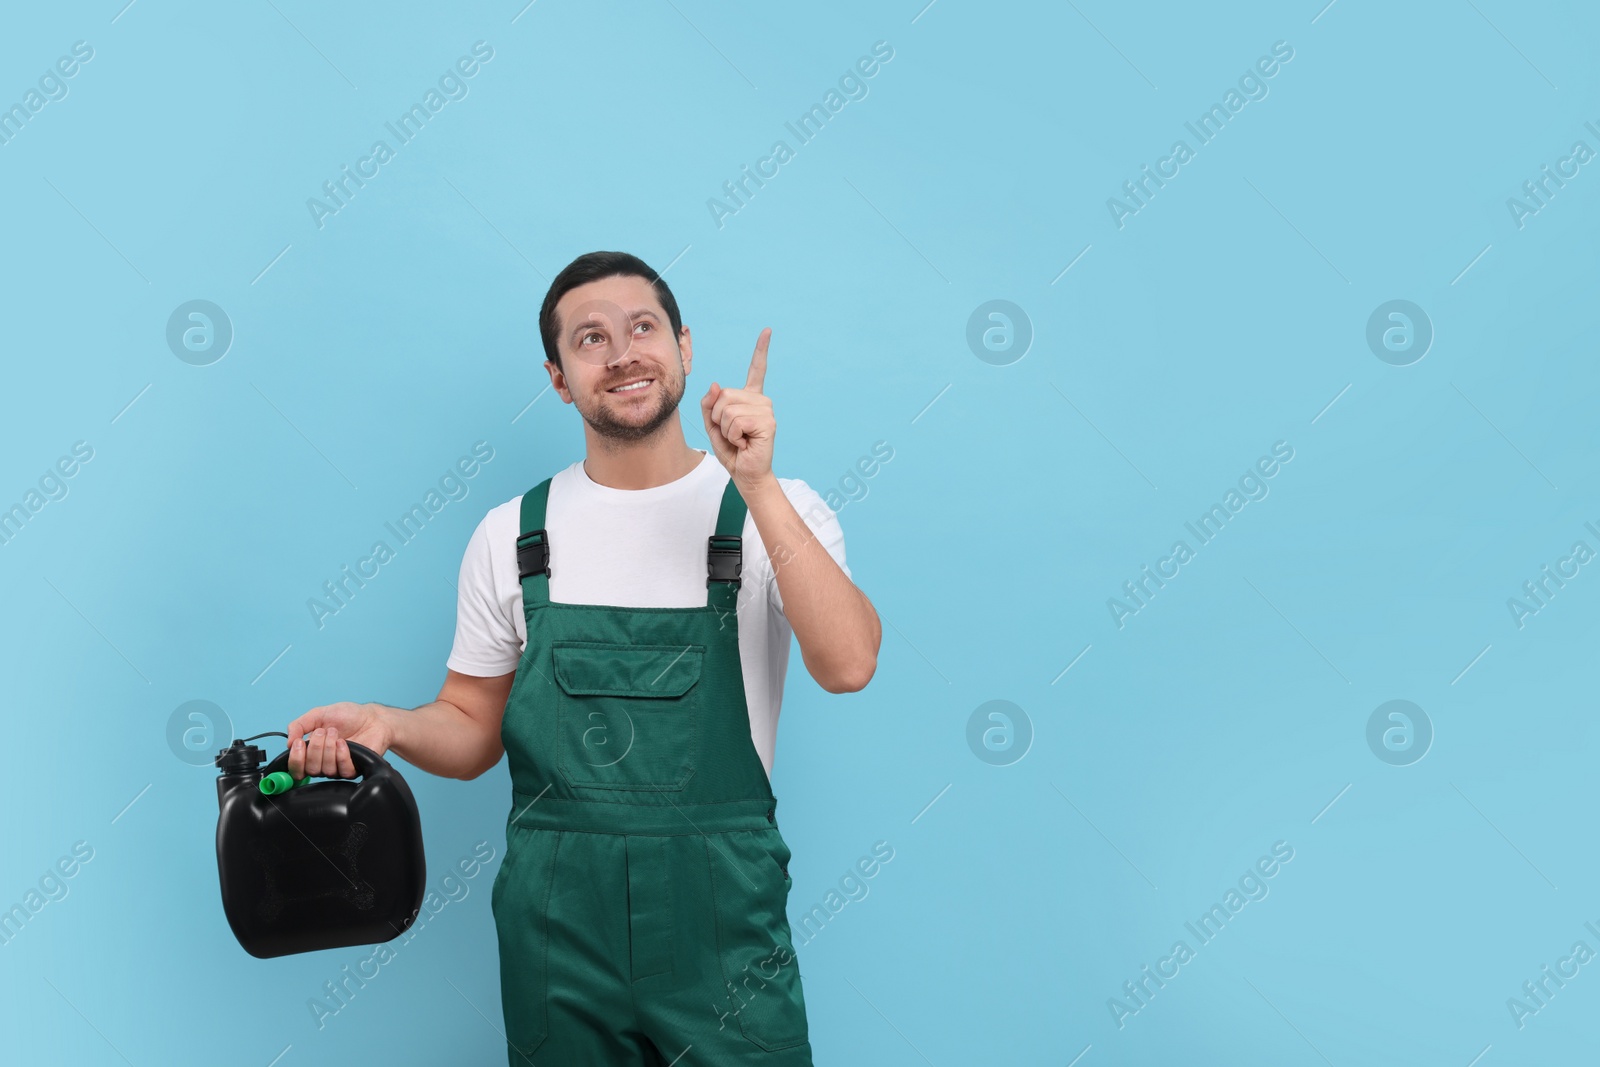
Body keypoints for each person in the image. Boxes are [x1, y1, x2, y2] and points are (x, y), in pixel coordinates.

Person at [286, 250, 881, 1065]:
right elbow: (470, 726)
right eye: (590, 338)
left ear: (683, 346)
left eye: (643, 327)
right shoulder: (514, 535)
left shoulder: (774, 508)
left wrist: (760, 485)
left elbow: (849, 663)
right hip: (559, 927)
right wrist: (386, 722)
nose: (623, 351)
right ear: (560, 378)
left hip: (723, 919)